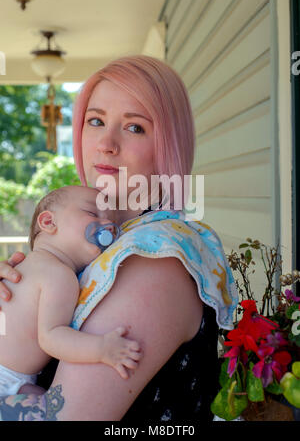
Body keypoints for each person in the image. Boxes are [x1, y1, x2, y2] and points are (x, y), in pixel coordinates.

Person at [0, 55, 238, 421]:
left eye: (135, 127)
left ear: (168, 145)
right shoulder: (94, 244)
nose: (106, 143)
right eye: (95, 121)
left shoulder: (157, 257)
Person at [0, 184, 142, 398]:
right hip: (7, 379)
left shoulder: (25, 267)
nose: (108, 226)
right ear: (48, 222)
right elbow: (51, 337)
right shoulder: (59, 275)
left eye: (112, 222)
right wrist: (102, 349)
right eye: (92, 213)